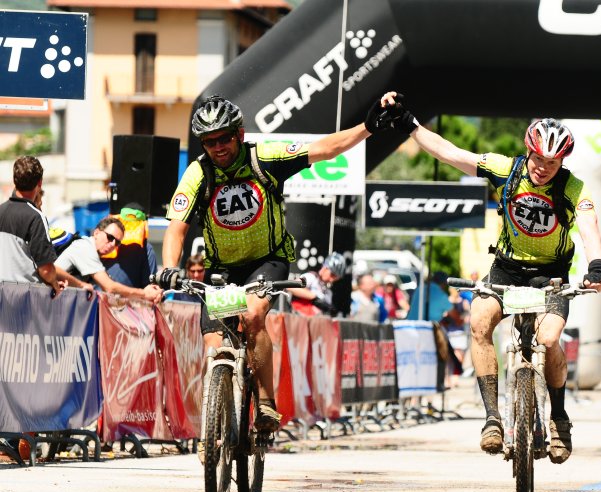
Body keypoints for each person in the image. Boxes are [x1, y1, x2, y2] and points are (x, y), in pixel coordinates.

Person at [379, 92, 601, 463]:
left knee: (549, 339)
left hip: (551, 275)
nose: (543, 168)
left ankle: (559, 417)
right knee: (479, 322)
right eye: (538, 158)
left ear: (562, 161)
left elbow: (589, 226)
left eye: (552, 162)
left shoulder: (573, 188)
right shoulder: (506, 170)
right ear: (528, 151)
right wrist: (411, 125)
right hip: (506, 269)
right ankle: (492, 419)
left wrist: (597, 265)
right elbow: (450, 153)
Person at [157, 94, 390, 434]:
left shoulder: (263, 157)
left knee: (253, 316)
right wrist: (169, 268)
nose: (218, 147)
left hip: (267, 261)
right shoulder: (198, 172)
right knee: (213, 346)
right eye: (209, 141)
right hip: (222, 269)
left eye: (224, 138)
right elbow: (176, 228)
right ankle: (216, 423)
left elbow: (326, 149)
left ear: (239, 133)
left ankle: (265, 401)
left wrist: (368, 127)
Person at [0, 156, 81, 296]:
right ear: (40, 183)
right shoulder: (35, 217)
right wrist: (54, 284)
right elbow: (46, 270)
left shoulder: (1, 210)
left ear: (14, 180)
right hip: (24, 297)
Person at [55, 216, 163, 302]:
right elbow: (110, 287)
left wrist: (149, 292)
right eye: (110, 237)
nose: (112, 244)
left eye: (117, 243)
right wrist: (144, 293)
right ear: (96, 233)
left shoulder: (94, 254)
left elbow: (114, 288)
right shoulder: (85, 247)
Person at [101, 202, 157, 288]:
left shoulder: (105, 239)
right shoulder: (147, 249)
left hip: (98, 293)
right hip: (122, 295)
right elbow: (150, 286)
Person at [288, 252, 346, 316]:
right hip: (299, 317)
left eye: (335, 279)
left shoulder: (328, 292)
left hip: (315, 320)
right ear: (325, 268)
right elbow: (291, 286)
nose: (331, 280)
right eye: (332, 275)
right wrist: (314, 298)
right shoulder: (311, 277)